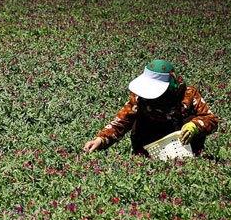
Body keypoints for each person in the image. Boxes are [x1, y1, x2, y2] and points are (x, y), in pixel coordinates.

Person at [83, 60, 218, 156]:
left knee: (192, 119)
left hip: (184, 146)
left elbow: (211, 119)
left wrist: (194, 126)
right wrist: (100, 140)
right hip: (148, 146)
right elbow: (122, 121)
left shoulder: (188, 95)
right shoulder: (140, 97)